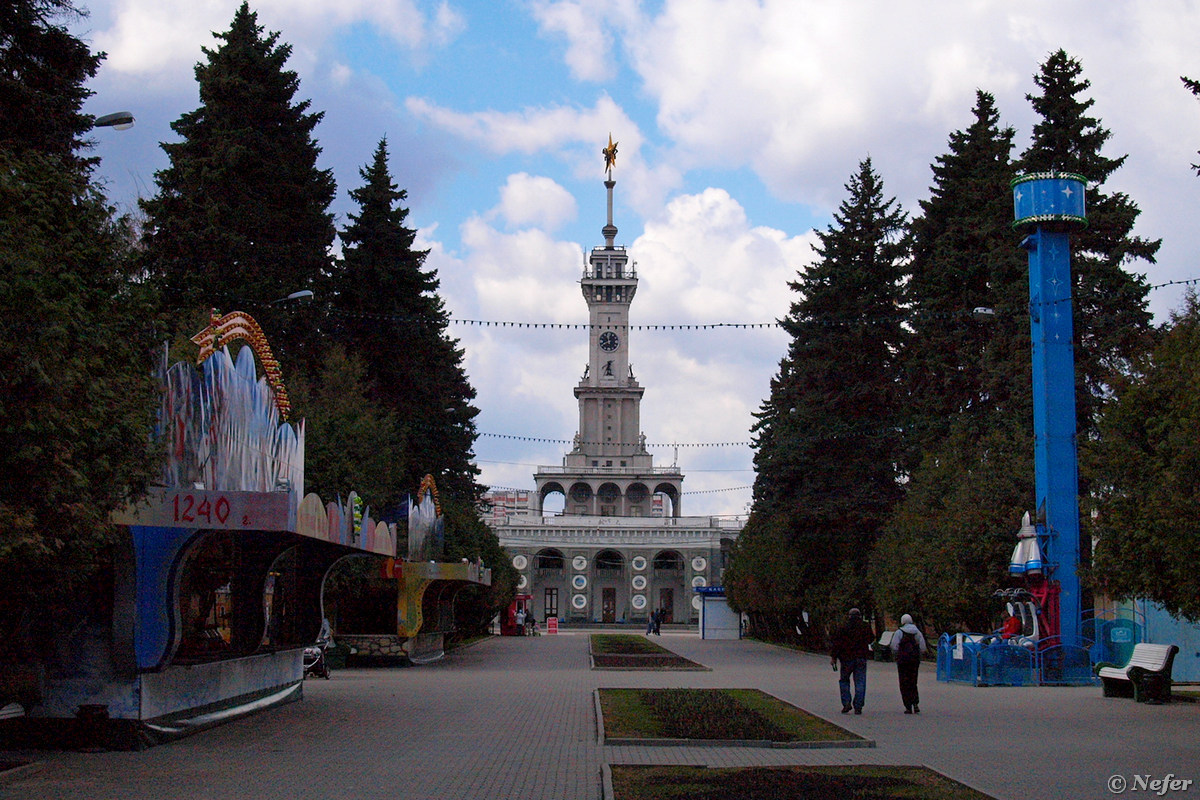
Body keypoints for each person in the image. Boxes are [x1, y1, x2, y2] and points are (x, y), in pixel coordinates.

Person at [830, 607, 874, 715]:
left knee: (844, 681)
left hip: (846, 658)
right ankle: (858, 706)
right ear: (859, 616)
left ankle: (846, 703)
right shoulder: (865, 626)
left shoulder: (843, 627)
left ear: (849, 616)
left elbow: (837, 643)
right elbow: (871, 639)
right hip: (861, 657)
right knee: (860, 682)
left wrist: (834, 657)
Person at [890, 613, 927, 714]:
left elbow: (894, 646)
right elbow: (923, 647)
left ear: (902, 621)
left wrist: (897, 654)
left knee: (903, 682)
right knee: (913, 682)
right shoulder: (917, 632)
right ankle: (915, 703)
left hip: (902, 661)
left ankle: (907, 706)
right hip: (914, 660)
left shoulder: (899, 632)